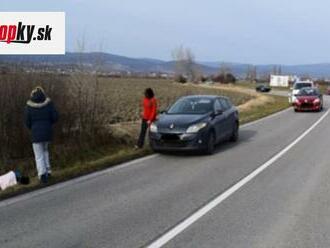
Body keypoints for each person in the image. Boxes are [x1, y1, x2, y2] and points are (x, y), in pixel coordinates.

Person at [25, 87, 58, 184]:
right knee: (45, 151)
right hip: (47, 132)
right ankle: (48, 171)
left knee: (39, 155)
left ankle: (42, 174)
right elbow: (55, 117)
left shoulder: (29, 107)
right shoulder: (49, 104)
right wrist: (48, 124)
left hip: (36, 133)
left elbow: (27, 122)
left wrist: (32, 128)